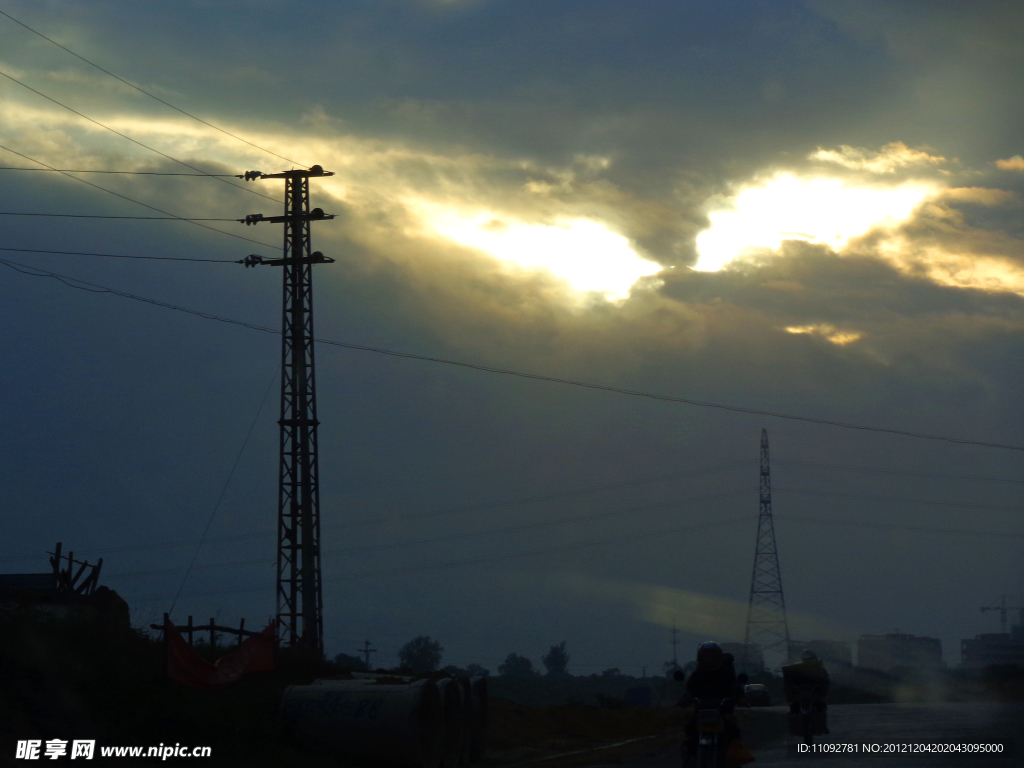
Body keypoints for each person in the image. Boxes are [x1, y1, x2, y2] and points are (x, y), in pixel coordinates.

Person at [676, 642, 743, 762]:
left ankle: (736, 761)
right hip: (701, 714)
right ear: (700, 658)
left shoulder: (727, 675)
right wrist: (684, 700)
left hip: (722, 713)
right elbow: (689, 691)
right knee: (690, 731)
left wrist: (741, 697)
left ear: (718, 658)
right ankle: (690, 760)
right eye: (705, 656)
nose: (708, 659)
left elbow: (736, 688)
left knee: (733, 731)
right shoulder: (696, 675)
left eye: (711, 656)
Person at [781, 649, 830, 733]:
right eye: (806, 660)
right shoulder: (796, 669)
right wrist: (790, 688)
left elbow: (826, 681)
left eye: (811, 659)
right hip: (800, 694)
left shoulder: (820, 670)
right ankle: (795, 728)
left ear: (815, 659)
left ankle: (821, 726)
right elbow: (788, 681)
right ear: (803, 660)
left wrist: (822, 687)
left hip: (814, 693)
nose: (809, 661)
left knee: (821, 706)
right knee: (794, 707)